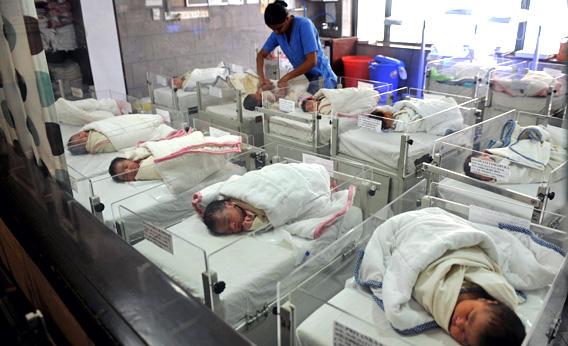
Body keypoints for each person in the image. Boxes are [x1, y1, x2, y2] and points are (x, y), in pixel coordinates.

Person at [257, 1, 337, 93]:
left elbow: (312, 61)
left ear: (287, 19)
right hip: (305, 78)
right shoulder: (278, 33)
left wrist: (286, 78)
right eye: (273, 29)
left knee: (319, 104)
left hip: (322, 77)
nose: (276, 32)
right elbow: (260, 55)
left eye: (279, 28)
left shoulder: (304, 25)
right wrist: (262, 79)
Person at [202, 198, 269, 235]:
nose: (233, 227)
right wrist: (255, 224)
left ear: (229, 204)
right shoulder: (247, 225)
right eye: (229, 230)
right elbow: (268, 221)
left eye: (228, 220)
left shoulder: (239, 199)